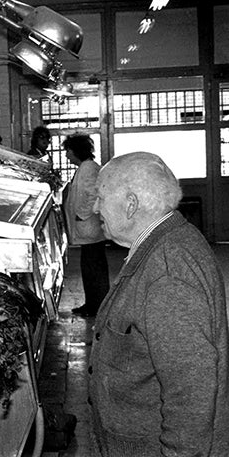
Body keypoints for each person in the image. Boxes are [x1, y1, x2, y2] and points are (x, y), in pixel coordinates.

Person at [89, 151, 229, 456]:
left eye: (100, 197)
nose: (95, 206)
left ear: (131, 204)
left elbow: (191, 390)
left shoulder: (167, 271)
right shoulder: (166, 242)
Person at [62, 134, 109, 317]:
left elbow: (93, 195)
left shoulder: (89, 169)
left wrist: (81, 215)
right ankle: (93, 304)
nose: (67, 155)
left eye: (68, 151)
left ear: (76, 151)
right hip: (88, 229)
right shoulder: (85, 167)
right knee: (91, 267)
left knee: (93, 269)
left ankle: (96, 306)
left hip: (89, 227)